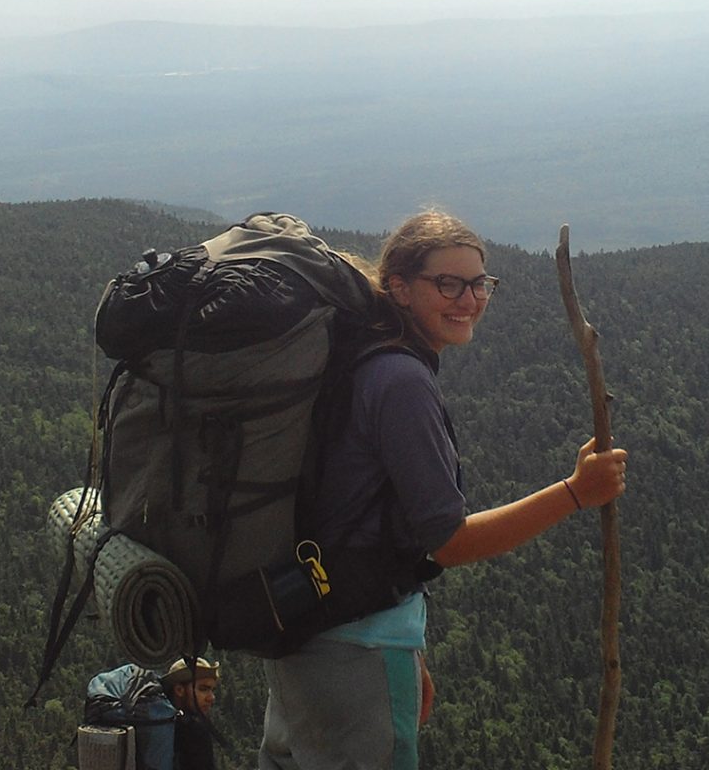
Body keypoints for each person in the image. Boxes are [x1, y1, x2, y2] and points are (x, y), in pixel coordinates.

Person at [258, 211, 628, 770]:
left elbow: (356, 517)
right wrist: (577, 491)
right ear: (400, 288)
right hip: (355, 651)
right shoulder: (400, 381)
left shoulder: (357, 356)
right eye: (449, 284)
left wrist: (407, 648)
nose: (470, 299)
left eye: (481, 283)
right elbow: (449, 542)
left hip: (310, 635)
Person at [161, 657, 220, 770]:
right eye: (203, 689)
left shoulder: (155, 722)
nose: (211, 698)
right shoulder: (194, 730)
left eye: (212, 690)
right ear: (179, 690)